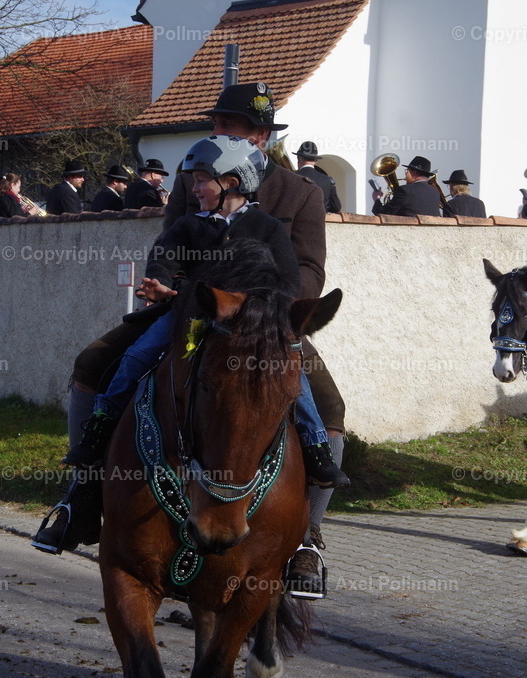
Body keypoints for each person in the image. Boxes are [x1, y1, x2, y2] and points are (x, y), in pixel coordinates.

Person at [60, 83, 346, 598]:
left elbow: (308, 270)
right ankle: (82, 495)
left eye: (229, 127)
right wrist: (167, 286)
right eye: (216, 124)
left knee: (328, 405)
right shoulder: (195, 179)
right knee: (93, 362)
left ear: (258, 136)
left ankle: (307, 537)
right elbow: (169, 243)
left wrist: (258, 310)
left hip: (266, 325)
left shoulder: (301, 193)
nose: (217, 133)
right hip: (191, 312)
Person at [371, 156, 442, 217]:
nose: (405, 175)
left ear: (414, 173)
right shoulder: (435, 193)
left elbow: (384, 214)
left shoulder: (405, 190)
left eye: (407, 171)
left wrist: (376, 199)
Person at [294, 141, 341, 213]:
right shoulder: (327, 180)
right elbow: (336, 207)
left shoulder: (290, 177)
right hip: (318, 223)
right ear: (316, 161)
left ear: (298, 159)